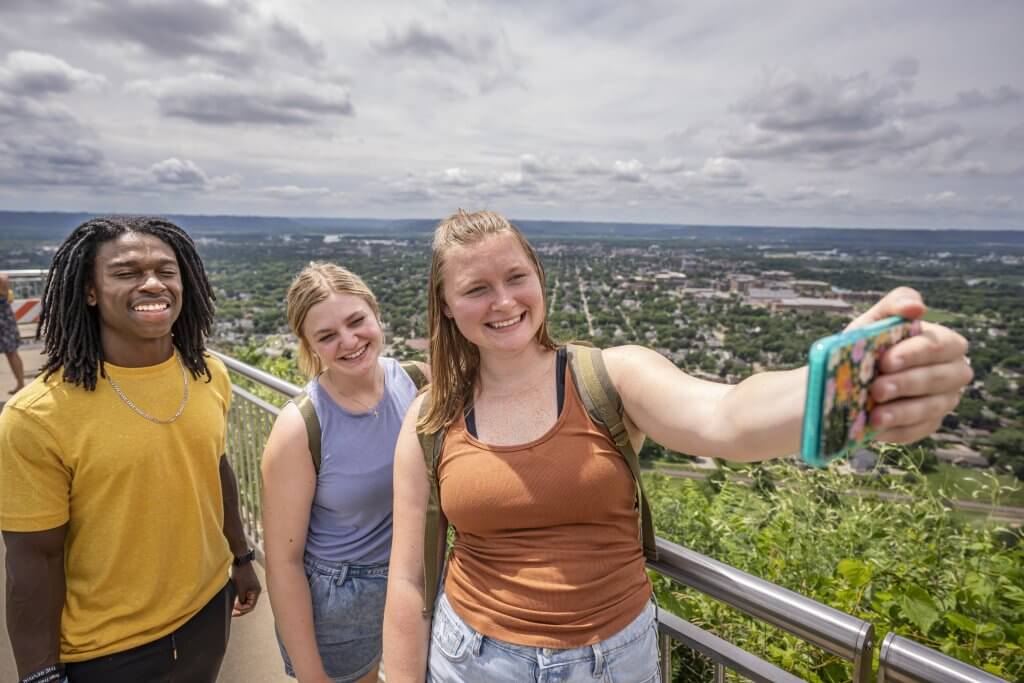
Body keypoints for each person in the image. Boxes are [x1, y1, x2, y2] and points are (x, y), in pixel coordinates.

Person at [382, 209, 973, 683]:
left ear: (539, 279)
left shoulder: (610, 377)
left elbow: (726, 417)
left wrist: (826, 389)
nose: (504, 301)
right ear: (446, 307)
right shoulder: (430, 420)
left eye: (516, 277)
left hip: (616, 661)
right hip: (475, 660)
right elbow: (407, 580)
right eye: (477, 288)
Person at [0, 216, 261, 683]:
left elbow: (214, 467)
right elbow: (32, 562)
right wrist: (39, 674)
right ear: (90, 291)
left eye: (166, 271)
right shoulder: (36, 416)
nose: (152, 284)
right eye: (126, 273)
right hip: (108, 652)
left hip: (206, 616)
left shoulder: (208, 375)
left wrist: (240, 559)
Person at [262, 262, 429, 683]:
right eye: (327, 336)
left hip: (412, 575)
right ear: (309, 345)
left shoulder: (415, 382)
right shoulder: (300, 427)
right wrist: (311, 675)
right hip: (340, 595)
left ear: (376, 313)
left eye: (357, 321)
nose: (350, 341)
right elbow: (283, 563)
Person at [0, 271, 25, 394]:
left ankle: (21, 384)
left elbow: (4, 280)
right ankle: (20, 384)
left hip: (3, 320)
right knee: (12, 353)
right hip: (6, 319)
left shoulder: (2, 279)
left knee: (11, 353)